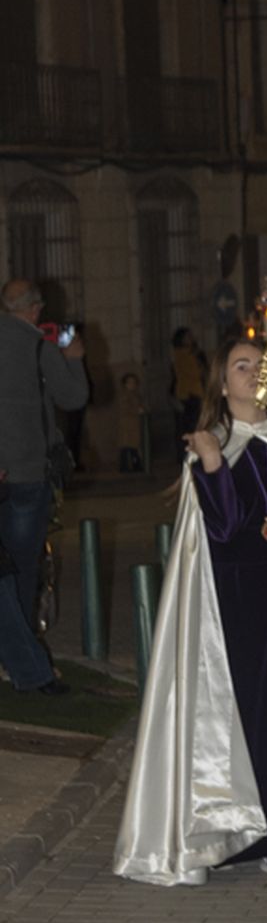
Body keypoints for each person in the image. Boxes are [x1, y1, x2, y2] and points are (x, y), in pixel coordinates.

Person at [114, 333, 267, 885]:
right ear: (221, 382)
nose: (252, 373)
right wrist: (209, 465)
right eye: (240, 365)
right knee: (241, 715)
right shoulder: (214, 445)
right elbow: (224, 529)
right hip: (233, 601)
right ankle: (236, 831)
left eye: (260, 366)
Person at [0, 278, 88, 697]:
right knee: (19, 569)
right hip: (27, 474)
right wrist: (74, 358)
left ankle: (24, 664)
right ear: (35, 309)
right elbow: (73, 397)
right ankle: (29, 669)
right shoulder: (41, 347)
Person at [170, 325, 206, 438]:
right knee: (190, 425)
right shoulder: (181, 354)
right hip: (188, 393)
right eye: (188, 336)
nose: (191, 338)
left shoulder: (194, 352)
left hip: (196, 391)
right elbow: (193, 372)